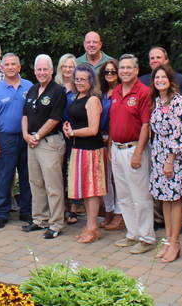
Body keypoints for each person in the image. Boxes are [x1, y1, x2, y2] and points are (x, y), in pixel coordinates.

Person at [108, 54, 157, 254]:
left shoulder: (144, 92)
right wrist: (110, 145)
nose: (125, 71)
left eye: (129, 68)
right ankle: (133, 233)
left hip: (134, 149)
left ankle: (147, 237)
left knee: (140, 195)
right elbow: (113, 121)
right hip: (117, 149)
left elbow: (146, 124)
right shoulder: (117, 90)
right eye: (122, 68)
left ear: (137, 70)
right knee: (124, 195)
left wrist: (138, 152)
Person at [148, 64, 182, 263]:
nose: (160, 81)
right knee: (164, 199)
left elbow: (179, 132)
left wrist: (170, 160)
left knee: (174, 199)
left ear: (170, 79)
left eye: (163, 77)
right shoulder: (157, 101)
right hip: (157, 154)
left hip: (173, 156)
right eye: (157, 78)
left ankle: (175, 242)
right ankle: (167, 239)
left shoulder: (177, 101)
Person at [0, 53, 33, 228]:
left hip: (27, 138)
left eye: (14, 64)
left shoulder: (29, 86)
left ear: (19, 67)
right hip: (5, 139)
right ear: (2, 68)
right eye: (7, 64)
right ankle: (1, 213)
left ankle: (26, 211)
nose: (11, 67)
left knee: (28, 176)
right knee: (4, 176)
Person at [21, 54, 67, 238]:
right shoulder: (32, 90)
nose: (41, 72)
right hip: (31, 142)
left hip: (49, 143)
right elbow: (24, 115)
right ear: (34, 71)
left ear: (52, 70)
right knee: (36, 182)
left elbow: (55, 118)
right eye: (38, 69)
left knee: (52, 185)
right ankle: (40, 219)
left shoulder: (58, 91)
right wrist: (25, 135)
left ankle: (55, 224)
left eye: (45, 69)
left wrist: (38, 135)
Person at [63, 64, 106, 244]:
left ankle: (93, 227)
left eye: (83, 79)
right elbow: (76, 120)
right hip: (78, 148)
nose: (79, 82)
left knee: (92, 190)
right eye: (77, 79)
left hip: (90, 150)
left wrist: (73, 133)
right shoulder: (77, 97)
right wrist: (68, 127)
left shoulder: (92, 100)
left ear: (91, 81)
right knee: (85, 190)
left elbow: (93, 129)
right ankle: (89, 226)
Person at [96, 58, 123, 231]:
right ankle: (109, 209)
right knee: (104, 178)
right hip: (101, 138)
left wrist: (111, 141)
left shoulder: (121, 92)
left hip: (115, 140)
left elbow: (117, 120)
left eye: (113, 71)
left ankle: (119, 213)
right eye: (107, 72)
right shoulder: (101, 94)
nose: (110, 75)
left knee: (117, 178)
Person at [56, 53, 81, 224]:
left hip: (75, 134)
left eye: (71, 66)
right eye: (64, 66)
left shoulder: (79, 86)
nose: (67, 69)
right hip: (57, 133)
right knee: (59, 170)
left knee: (73, 170)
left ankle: (73, 207)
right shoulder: (55, 86)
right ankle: (62, 206)